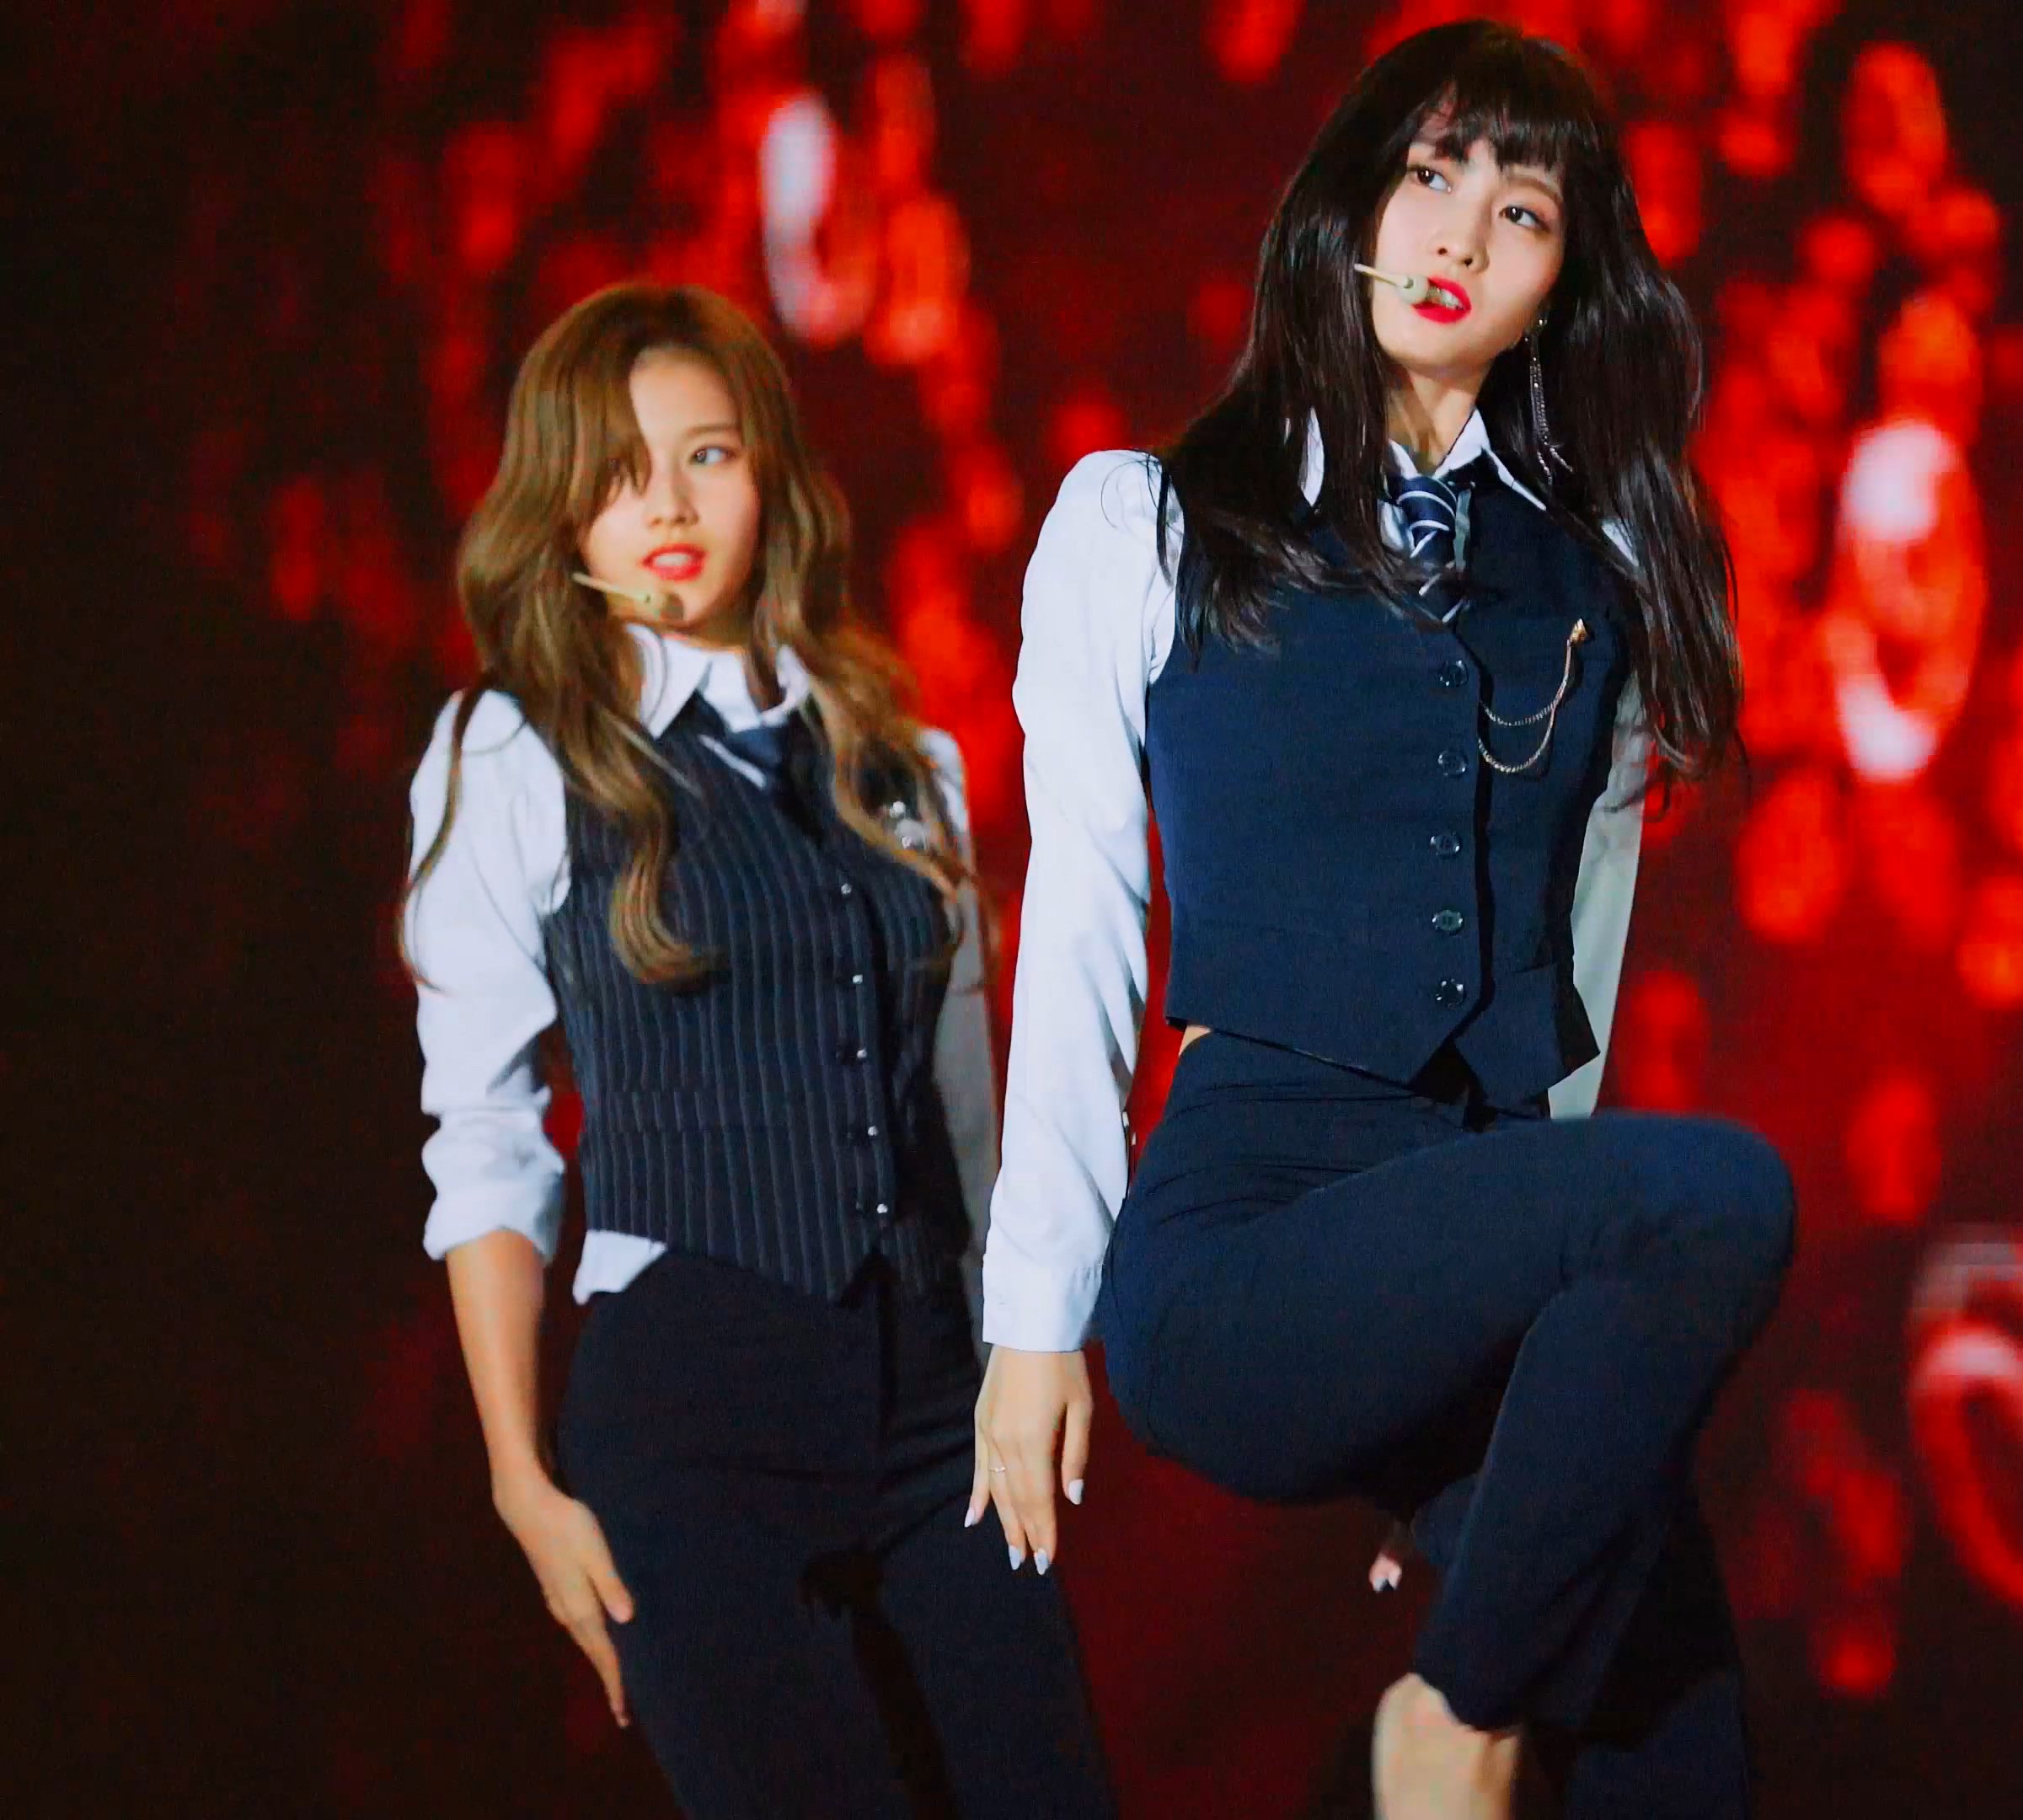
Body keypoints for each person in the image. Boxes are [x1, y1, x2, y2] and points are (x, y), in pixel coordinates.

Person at [974, 24, 1794, 1819]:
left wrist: (1523, 1414)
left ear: (1562, 283)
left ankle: (1481, 1683)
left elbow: (1579, 949)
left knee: (1680, 1747)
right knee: (1722, 1196)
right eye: (1429, 174)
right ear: (1350, 200)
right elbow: (1086, 916)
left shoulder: (1600, 573)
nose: (1460, 235)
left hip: (1476, 1230)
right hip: (1246, 1244)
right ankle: (1452, 1723)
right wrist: (1032, 1313)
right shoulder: (1148, 523)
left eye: (1523, 211)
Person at [404, 281, 1113, 1818]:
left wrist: (1022, 1339)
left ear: (770, 473)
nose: (666, 505)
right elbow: (489, 1140)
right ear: (559, 511)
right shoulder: (514, 753)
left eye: (707, 454)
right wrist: (522, 1481)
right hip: (693, 1420)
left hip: (940, 1412)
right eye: (617, 471)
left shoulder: (901, 758)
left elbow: (964, 1116)